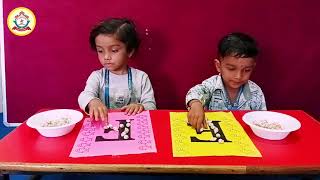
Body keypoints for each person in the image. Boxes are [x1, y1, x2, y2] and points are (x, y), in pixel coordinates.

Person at [78, 18, 156, 122]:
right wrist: (92, 101)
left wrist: (141, 106)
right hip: (104, 124)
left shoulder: (141, 77)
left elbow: (151, 106)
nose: (106, 56)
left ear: (130, 51)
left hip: (133, 126)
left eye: (114, 50)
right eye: (100, 51)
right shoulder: (97, 76)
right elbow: (84, 96)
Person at [186, 32, 266, 132]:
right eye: (231, 69)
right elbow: (195, 92)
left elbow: (263, 119)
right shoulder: (212, 85)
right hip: (214, 137)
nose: (238, 76)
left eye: (247, 70)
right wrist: (196, 104)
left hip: (245, 139)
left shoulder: (255, 92)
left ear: (253, 67)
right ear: (218, 66)